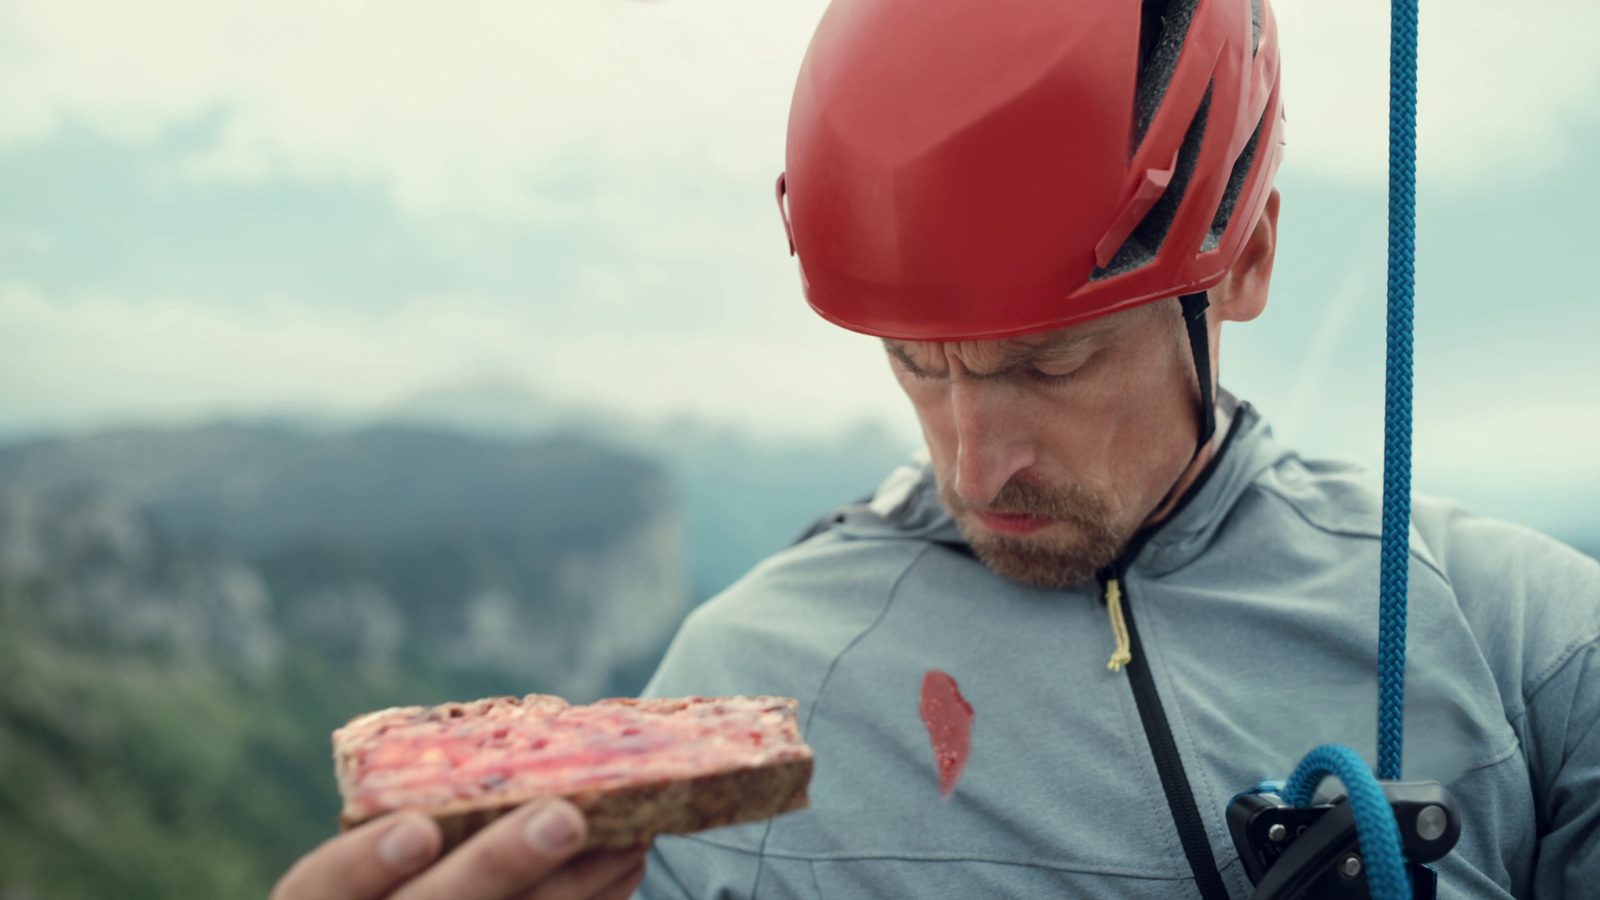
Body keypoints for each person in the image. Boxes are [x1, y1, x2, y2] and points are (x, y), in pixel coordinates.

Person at [273, 1, 1600, 898]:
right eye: (921, 363)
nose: (979, 465)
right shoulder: (750, 672)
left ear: (1242, 262)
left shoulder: (1527, 644)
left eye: (1052, 362)